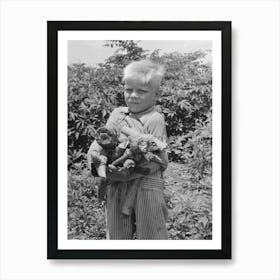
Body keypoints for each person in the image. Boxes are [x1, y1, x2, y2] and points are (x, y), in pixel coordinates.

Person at [87, 59, 169, 239]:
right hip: (116, 183)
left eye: (142, 91)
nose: (133, 95)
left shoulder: (155, 119)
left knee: (152, 233)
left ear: (156, 94)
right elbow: (99, 142)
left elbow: (158, 160)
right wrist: (97, 159)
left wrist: (129, 173)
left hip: (146, 185)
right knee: (117, 235)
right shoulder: (118, 114)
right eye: (128, 89)